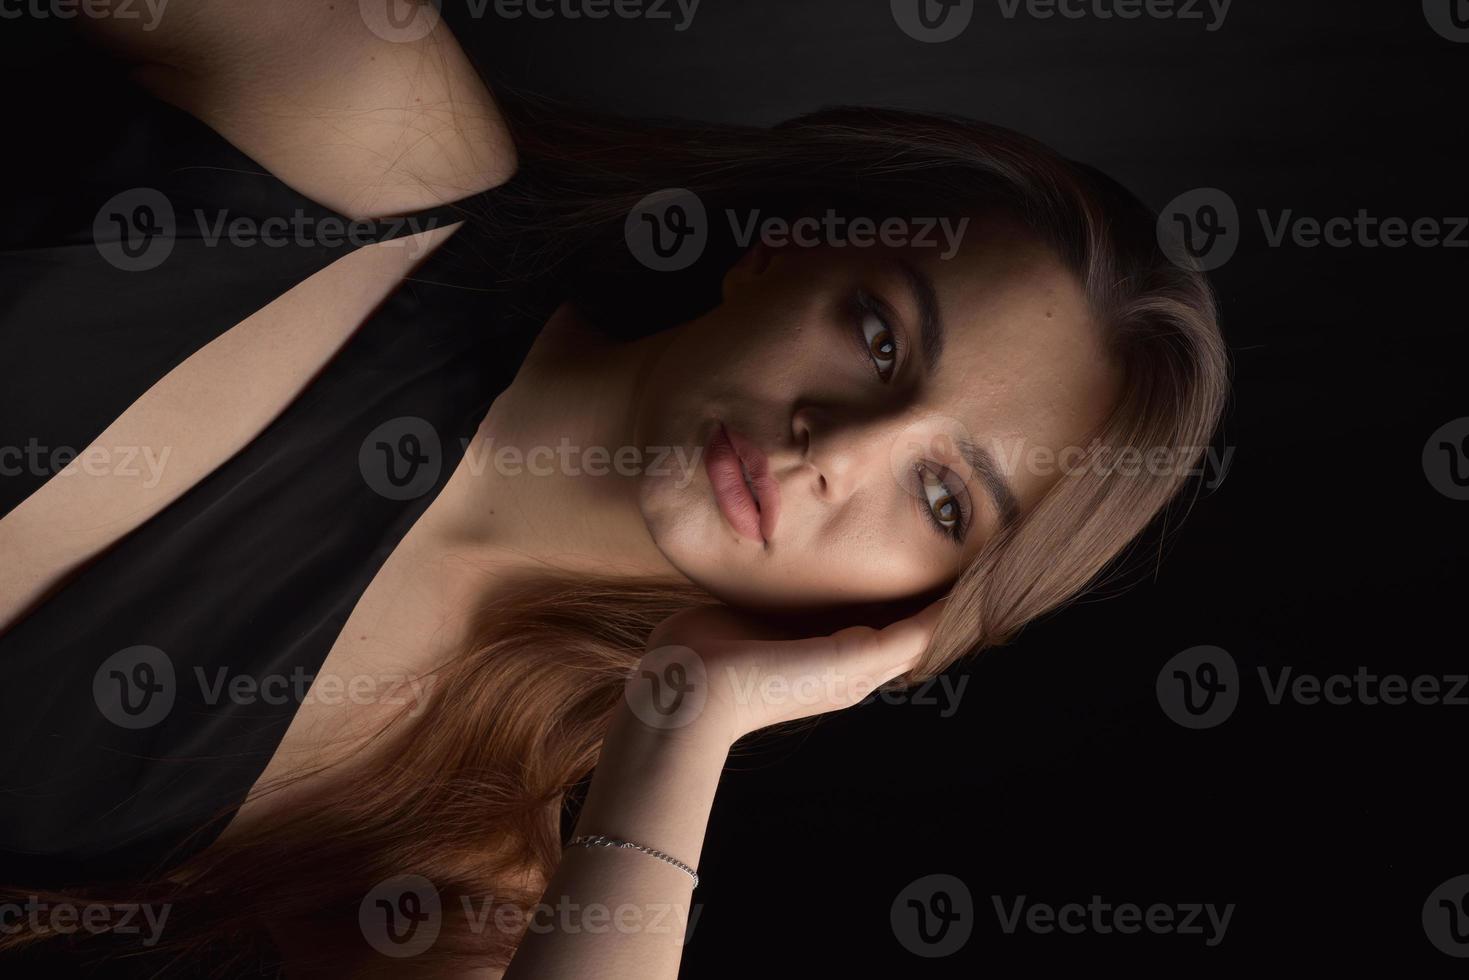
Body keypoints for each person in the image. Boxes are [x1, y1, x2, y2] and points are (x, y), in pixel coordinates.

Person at [0, 3, 1228, 976]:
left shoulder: (447, 833)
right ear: (782, 249)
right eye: (879, 337)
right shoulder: (372, 133)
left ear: (923, 608)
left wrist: (679, 728)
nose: (837, 449)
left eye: (944, 499)